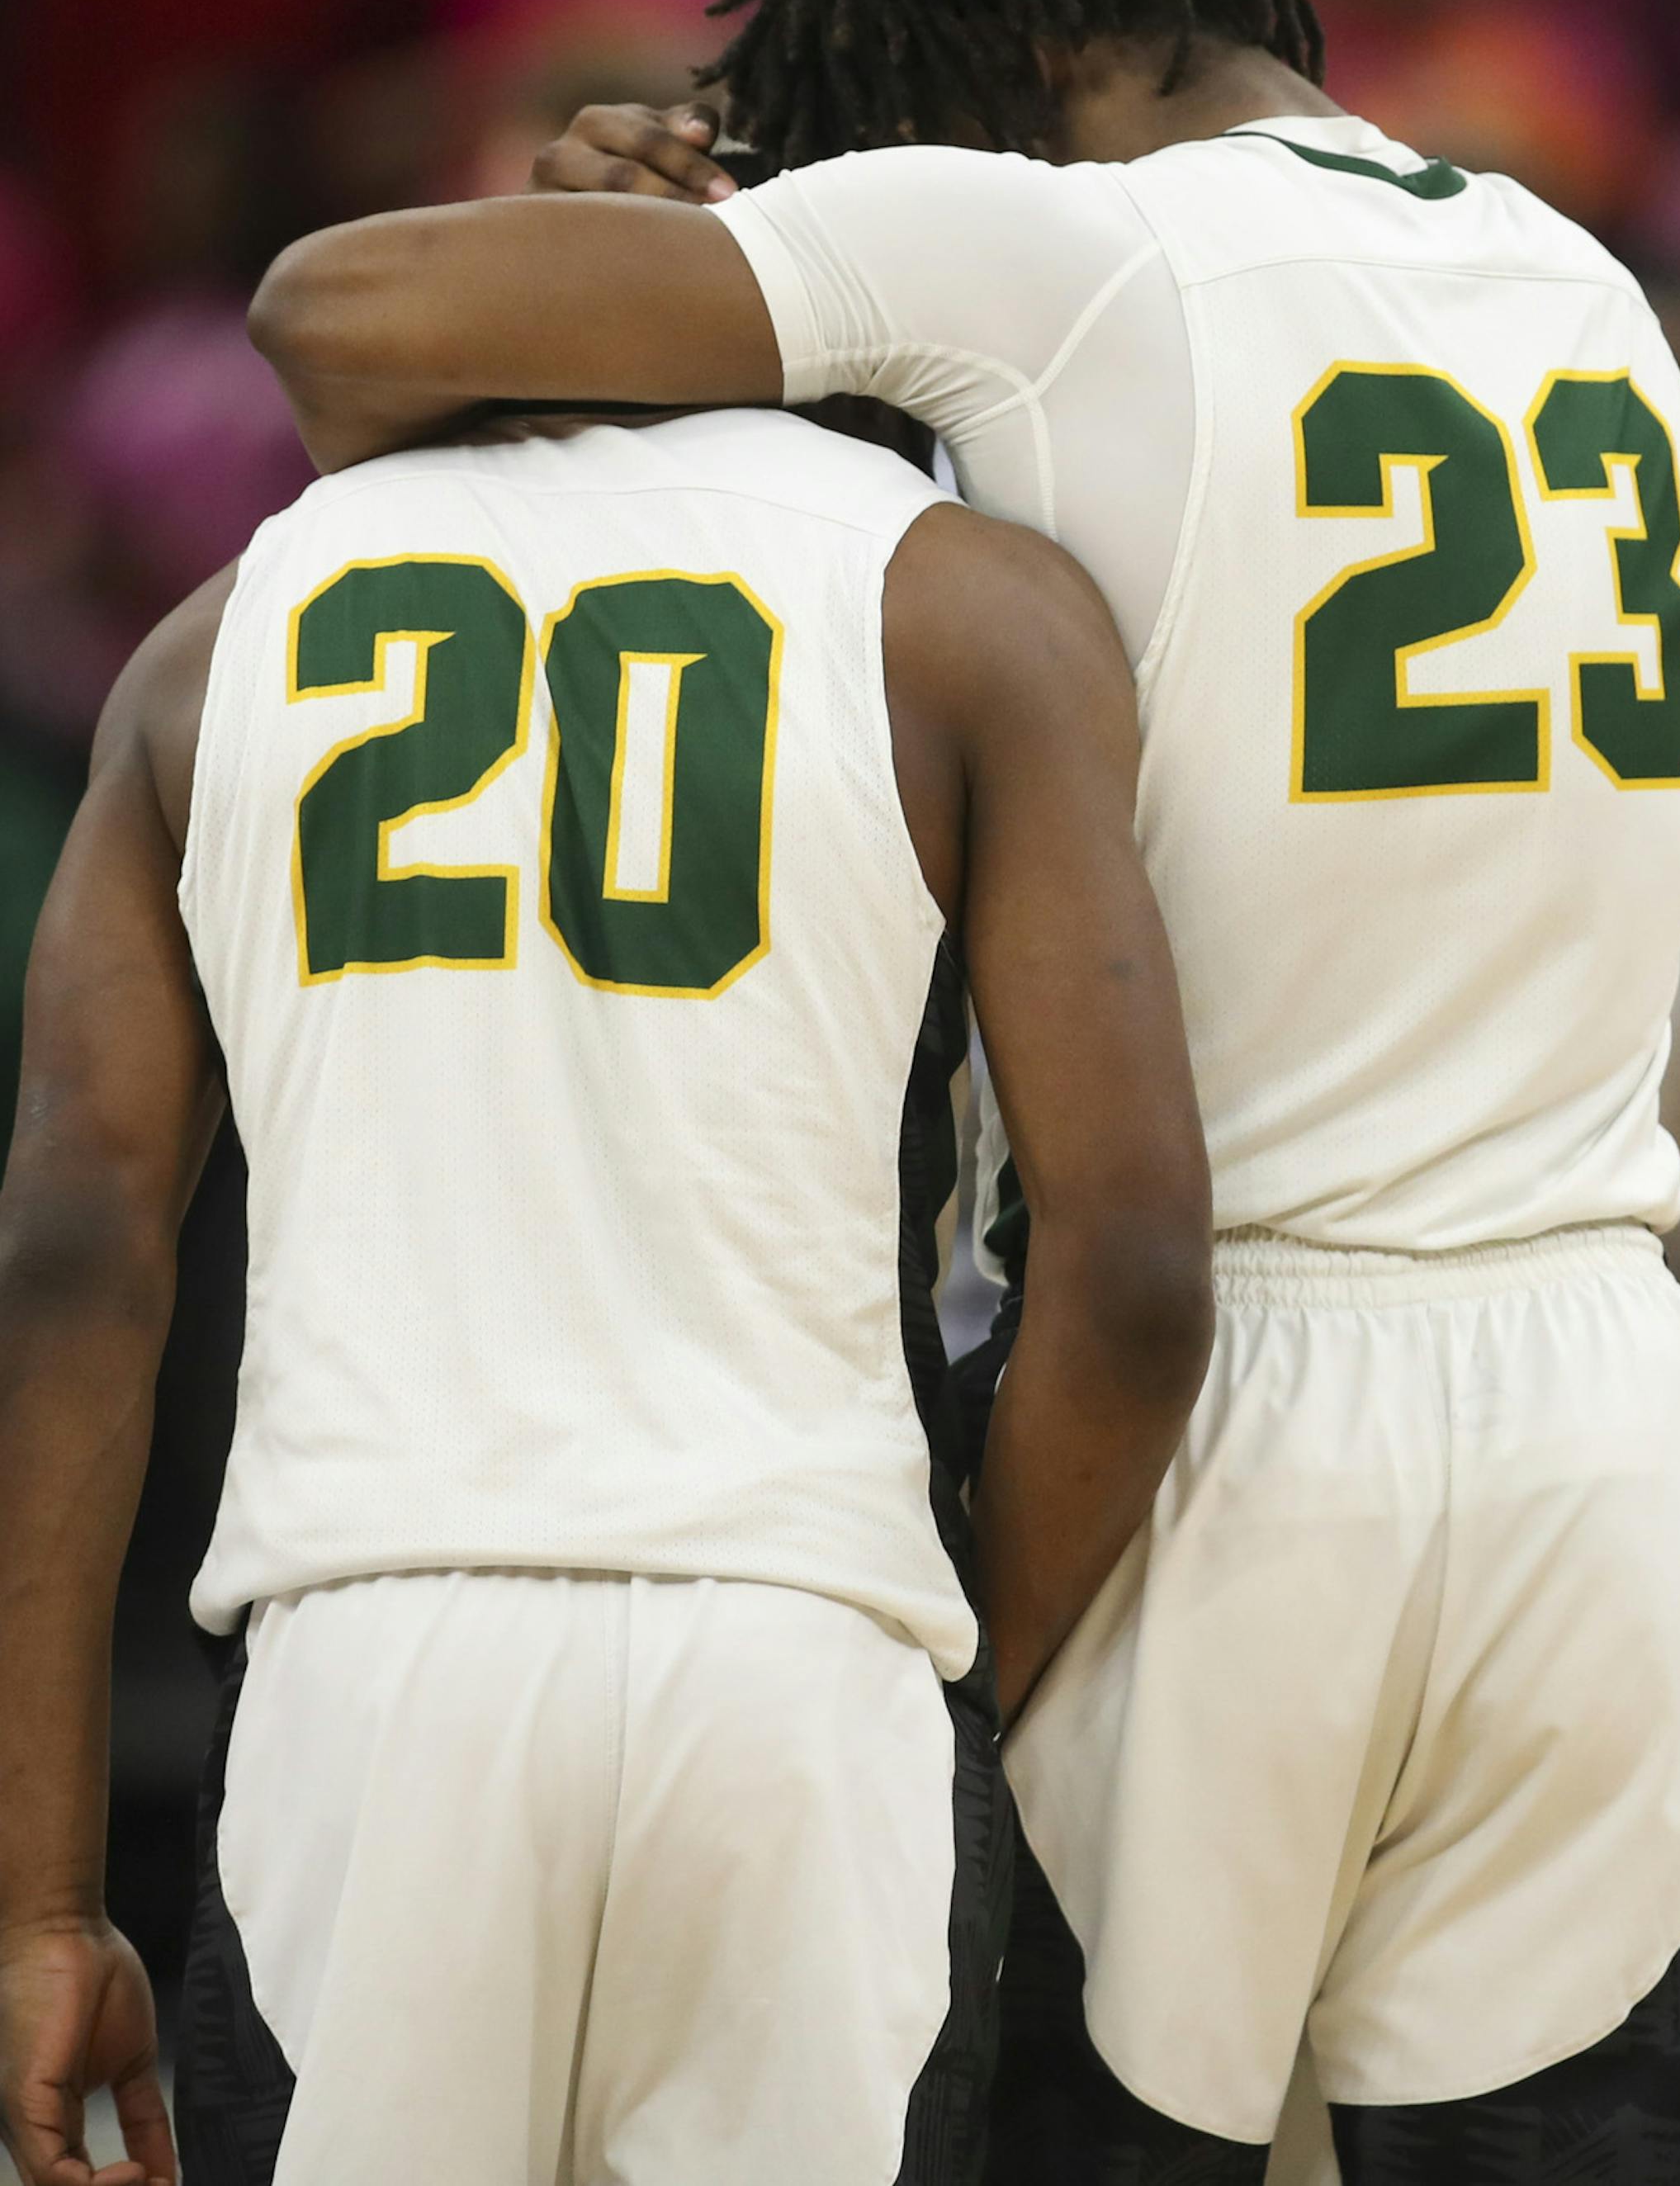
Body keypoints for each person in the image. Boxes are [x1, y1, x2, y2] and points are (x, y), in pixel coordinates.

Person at [248, 0, 1680, 2177]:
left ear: (1039, 34)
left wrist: (677, 233)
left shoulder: (1050, 246)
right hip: (1615, 1427)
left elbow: (344, 325)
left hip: (1215, 1419)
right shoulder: (1589, 281)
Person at [0, 400, 1213, 2186]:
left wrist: (42, 1901)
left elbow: (74, 1247)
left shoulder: (224, 625)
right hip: (802, 1649)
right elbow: (1136, 1280)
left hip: (375, 1658)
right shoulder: (950, 594)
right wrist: (971, 1676)